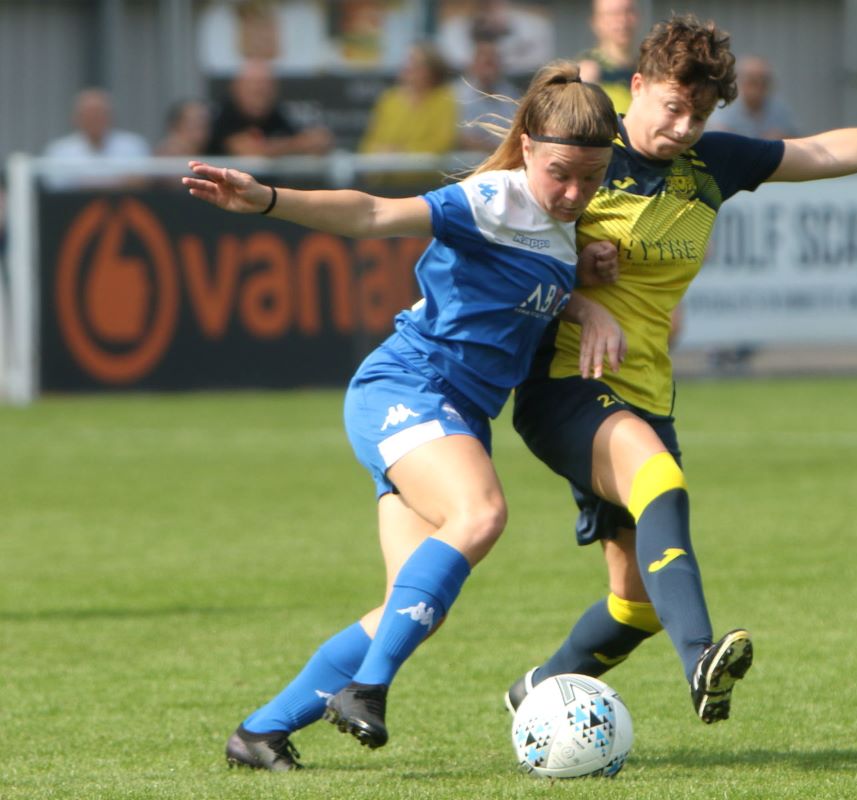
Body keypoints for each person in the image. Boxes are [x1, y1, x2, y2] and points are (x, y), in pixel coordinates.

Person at [501, 14, 857, 725]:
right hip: (563, 385)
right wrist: (573, 292)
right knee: (659, 481)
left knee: (635, 607)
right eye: (673, 106)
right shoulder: (584, 149)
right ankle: (702, 661)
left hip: (646, 393)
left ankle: (535, 691)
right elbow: (498, 239)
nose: (685, 126)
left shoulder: (709, 165)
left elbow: (826, 151)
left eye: (702, 113)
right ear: (640, 84)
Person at [185, 61, 622, 771]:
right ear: (529, 150)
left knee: (413, 607)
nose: (575, 193)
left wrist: (582, 292)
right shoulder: (492, 199)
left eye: (592, 180)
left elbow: (524, 289)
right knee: (481, 514)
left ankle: (258, 734)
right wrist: (266, 198)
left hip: (457, 414)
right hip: (410, 387)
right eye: (561, 174)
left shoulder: (559, 229)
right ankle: (368, 689)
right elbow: (369, 214)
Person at [205, 58, 333, 157]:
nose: (261, 90)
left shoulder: (275, 113)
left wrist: (280, 146)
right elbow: (252, 152)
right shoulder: (225, 113)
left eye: (266, 85)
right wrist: (297, 144)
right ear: (237, 88)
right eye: (254, 85)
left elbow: (318, 142)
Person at [359, 42, 459, 157]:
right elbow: (368, 144)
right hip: (384, 172)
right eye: (407, 62)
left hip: (427, 173)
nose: (408, 68)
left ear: (432, 71)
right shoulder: (389, 99)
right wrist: (382, 152)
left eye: (415, 64)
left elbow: (442, 144)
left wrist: (402, 153)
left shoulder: (445, 98)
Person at [42, 88, 151, 190]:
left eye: (99, 114)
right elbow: (55, 185)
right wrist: (115, 182)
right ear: (76, 118)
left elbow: (143, 180)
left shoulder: (133, 145)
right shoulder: (59, 150)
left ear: (111, 116)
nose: (94, 120)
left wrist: (86, 182)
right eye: (88, 115)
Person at [707, 54, 800, 139]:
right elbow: (718, 136)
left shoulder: (779, 109)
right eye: (753, 81)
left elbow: (795, 138)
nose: (759, 87)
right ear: (740, 82)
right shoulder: (724, 107)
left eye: (764, 82)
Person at [455, 38, 522, 152]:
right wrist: (496, 149)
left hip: (506, 159)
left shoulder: (511, 94)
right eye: (486, 63)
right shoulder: (458, 94)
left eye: (493, 63)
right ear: (474, 65)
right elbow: (462, 137)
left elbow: (518, 130)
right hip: (469, 164)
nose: (489, 70)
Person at [578, 0, 640, 114]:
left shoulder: (648, 67)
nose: (623, 21)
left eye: (628, 11)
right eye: (613, 14)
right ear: (595, 22)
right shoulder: (586, 72)